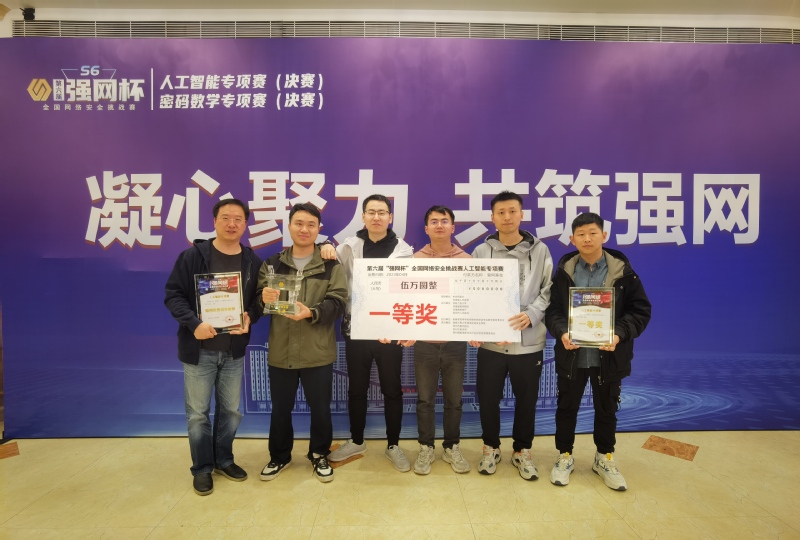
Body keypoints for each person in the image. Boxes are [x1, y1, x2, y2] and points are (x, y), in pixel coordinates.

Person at [545, 212, 651, 491]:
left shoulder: (623, 273)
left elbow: (640, 311)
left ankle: (604, 457)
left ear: (604, 235)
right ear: (572, 239)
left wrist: (619, 334)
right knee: (566, 408)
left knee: (607, 409)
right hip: (573, 354)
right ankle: (564, 455)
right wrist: (562, 332)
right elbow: (553, 311)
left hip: (609, 355)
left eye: (593, 233)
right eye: (581, 234)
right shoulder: (565, 272)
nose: (587, 239)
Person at [164, 198, 262, 496]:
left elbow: (259, 300)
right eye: (225, 217)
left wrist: (250, 316)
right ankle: (202, 468)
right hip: (199, 351)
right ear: (215, 221)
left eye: (238, 219)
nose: (232, 224)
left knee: (230, 411)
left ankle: (224, 460)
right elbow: (173, 295)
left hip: (233, 350)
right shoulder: (192, 256)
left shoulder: (252, 261)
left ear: (245, 224)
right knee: (198, 414)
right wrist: (194, 323)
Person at [256, 203, 348, 483]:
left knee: (320, 409)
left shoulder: (330, 264)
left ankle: (319, 453)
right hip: (281, 350)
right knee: (280, 409)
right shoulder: (272, 264)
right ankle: (279, 456)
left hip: (317, 351)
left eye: (310, 224)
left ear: (319, 229)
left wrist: (312, 313)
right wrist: (263, 298)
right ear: (289, 226)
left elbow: (338, 302)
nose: (304, 229)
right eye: (298, 223)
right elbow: (258, 300)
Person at [327, 194, 414, 472]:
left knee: (392, 388)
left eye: (382, 212)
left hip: (390, 330)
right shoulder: (349, 246)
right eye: (371, 212)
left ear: (390, 217)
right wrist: (323, 247)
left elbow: (410, 290)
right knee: (357, 388)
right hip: (357, 329)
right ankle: (356, 441)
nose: (377, 217)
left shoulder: (403, 250)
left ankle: (393, 445)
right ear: (363, 216)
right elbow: (329, 261)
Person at [470, 191, 553, 480]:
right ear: (492, 217)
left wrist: (531, 315)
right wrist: (477, 327)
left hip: (528, 343)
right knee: (488, 399)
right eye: (501, 212)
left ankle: (522, 451)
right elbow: (471, 294)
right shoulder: (481, 252)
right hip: (492, 344)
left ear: (521, 214)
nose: (507, 217)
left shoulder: (540, 250)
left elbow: (548, 290)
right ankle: (490, 447)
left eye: (512, 211)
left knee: (526, 401)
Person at [399, 205, 472, 475]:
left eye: (444, 221)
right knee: (425, 400)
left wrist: (476, 328)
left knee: (454, 400)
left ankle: (451, 447)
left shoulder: (467, 260)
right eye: (434, 221)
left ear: (453, 227)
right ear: (426, 228)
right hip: (424, 344)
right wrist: (406, 329)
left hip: (455, 344)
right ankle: (426, 447)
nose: (439, 225)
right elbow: (407, 299)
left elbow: (474, 301)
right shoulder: (415, 260)